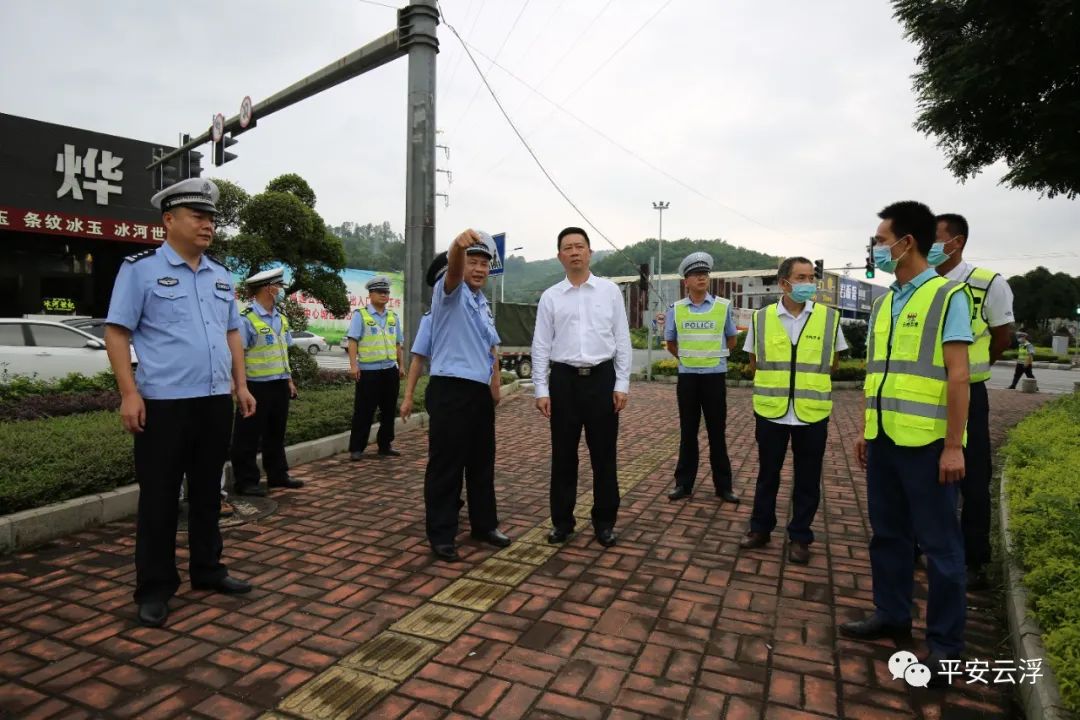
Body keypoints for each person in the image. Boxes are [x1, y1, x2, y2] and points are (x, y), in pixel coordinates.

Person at [103, 178, 256, 629]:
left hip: (213, 402)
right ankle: (155, 587)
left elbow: (232, 333)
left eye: (211, 218)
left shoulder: (221, 275)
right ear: (169, 220)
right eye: (198, 216)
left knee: (209, 492)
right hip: (165, 404)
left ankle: (208, 570)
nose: (208, 225)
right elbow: (117, 332)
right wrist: (130, 393)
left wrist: (241, 384)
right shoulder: (140, 270)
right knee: (161, 499)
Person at [840, 200, 972, 688]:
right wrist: (863, 428)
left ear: (906, 242)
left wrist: (954, 446)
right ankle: (892, 616)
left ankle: (945, 648)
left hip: (930, 445)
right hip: (884, 440)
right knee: (888, 536)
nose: (875, 248)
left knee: (940, 548)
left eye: (879, 240)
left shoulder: (947, 296)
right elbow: (879, 375)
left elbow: (958, 376)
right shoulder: (884, 301)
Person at [739, 257, 846, 564]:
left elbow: (833, 362)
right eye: (801, 277)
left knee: (808, 478)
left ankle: (800, 536)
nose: (808, 283)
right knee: (767, 475)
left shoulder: (829, 318)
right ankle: (760, 529)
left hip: (811, 412)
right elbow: (754, 361)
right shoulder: (761, 318)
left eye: (811, 277)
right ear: (783, 282)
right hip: (771, 410)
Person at [532, 227, 632, 548]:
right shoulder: (550, 296)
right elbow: (540, 346)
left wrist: (622, 383)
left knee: (604, 455)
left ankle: (605, 522)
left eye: (580, 246)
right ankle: (562, 522)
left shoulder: (609, 292)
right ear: (560, 256)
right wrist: (541, 389)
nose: (574, 252)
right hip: (563, 382)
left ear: (590, 252)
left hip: (602, 381)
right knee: (563, 456)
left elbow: (622, 341)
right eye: (568, 248)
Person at [932, 213, 1014, 590]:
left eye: (935, 238)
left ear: (957, 241)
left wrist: (973, 369)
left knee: (973, 476)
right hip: (926, 392)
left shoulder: (987, 284)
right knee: (926, 472)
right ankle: (928, 543)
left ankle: (974, 559)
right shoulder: (922, 284)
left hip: (969, 392)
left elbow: (1001, 336)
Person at [425, 231, 509, 561]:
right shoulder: (450, 294)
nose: (478, 269)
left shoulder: (482, 304)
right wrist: (457, 248)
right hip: (450, 390)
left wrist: (495, 381)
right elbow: (455, 271)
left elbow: (490, 347)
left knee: (481, 463)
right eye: (473, 262)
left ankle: (484, 524)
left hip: (477, 393)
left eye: (484, 264)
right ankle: (442, 533)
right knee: (446, 465)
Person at [663, 252, 740, 504]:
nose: (702, 278)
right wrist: (687, 359)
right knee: (688, 432)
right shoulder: (676, 309)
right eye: (696, 275)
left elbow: (731, 338)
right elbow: (671, 342)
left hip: (714, 378)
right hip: (688, 379)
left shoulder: (723, 306)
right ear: (686, 281)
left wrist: (713, 358)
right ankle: (683, 484)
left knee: (717, 433)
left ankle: (724, 487)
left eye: (705, 274)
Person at [230, 267, 303, 496]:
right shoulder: (247, 319)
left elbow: (283, 352)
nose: (282, 290)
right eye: (279, 286)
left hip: (279, 383)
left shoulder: (281, 318)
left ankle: (278, 475)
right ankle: (246, 481)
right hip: (255, 385)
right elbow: (237, 354)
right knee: (248, 435)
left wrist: (289, 379)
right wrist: (238, 386)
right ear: (268, 288)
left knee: (276, 432)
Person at [346, 276, 405, 461]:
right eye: (380, 292)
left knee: (388, 411)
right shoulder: (360, 315)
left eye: (386, 292)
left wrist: (401, 365)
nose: (384, 295)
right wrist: (353, 365)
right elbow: (352, 341)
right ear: (370, 294)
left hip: (389, 370)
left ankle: (385, 445)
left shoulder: (393, 317)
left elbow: (398, 344)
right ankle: (357, 448)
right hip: (368, 372)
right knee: (364, 411)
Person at [401, 252, 446, 423]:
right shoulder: (430, 319)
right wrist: (408, 396)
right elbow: (418, 359)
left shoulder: (475, 313)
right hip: (443, 389)